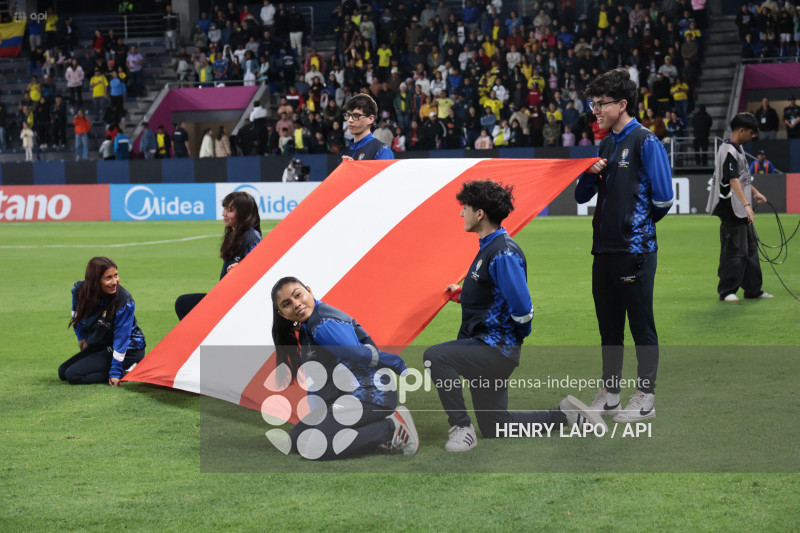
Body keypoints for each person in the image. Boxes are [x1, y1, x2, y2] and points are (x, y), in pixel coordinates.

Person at [424, 180, 606, 452]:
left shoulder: (503, 252)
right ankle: (565, 414)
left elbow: (523, 310)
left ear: (480, 213)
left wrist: (509, 344)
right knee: (497, 427)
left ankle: (461, 429)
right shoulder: (490, 245)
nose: (462, 213)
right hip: (490, 347)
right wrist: (463, 294)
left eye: (466, 208)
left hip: (493, 350)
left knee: (435, 357)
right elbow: (494, 292)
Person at [574, 68, 674, 423]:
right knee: (609, 327)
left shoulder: (646, 141)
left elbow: (663, 199)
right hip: (603, 251)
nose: (595, 111)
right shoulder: (606, 143)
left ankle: (646, 397)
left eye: (600, 104)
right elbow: (582, 194)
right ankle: (611, 393)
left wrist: (635, 231)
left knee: (641, 325)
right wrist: (591, 173)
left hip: (634, 252)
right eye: (593, 104)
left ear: (621, 104)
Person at [270, 277, 418, 459]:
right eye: (287, 304)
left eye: (298, 295)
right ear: (283, 314)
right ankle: (371, 432)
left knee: (315, 448)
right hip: (348, 397)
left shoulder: (321, 325)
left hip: (371, 395)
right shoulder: (309, 325)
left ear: (309, 290)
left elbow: (359, 354)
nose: (296, 304)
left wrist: (397, 363)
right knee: (297, 440)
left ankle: (391, 429)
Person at [706, 113, 773, 303]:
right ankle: (726, 290)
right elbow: (733, 180)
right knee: (734, 249)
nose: (752, 137)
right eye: (750, 133)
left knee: (751, 248)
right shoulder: (728, 150)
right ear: (741, 130)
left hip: (740, 207)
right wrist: (746, 205)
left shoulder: (738, 149)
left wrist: (755, 193)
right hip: (730, 207)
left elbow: (742, 177)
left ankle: (753, 289)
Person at [174, 192, 262, 320]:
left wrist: (242, 269)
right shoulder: (234, 234)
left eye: (229, 210)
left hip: (235, 302)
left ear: (243, 213)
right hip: (225, 297)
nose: (223, 214)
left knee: (183, 304)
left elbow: (259, 272)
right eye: (225, 209)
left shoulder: (251, 237)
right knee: (183, 303)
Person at [59, 257, 146, 385]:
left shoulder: (124, 301)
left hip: (129, 350)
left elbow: (122, 338)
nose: (115, 281)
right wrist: (81, 337)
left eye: (116, 276)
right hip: (103, 345)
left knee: (73, 375)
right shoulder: (80, 290)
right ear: (95, 281)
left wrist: (115, 372)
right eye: (108, 278)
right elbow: (76, 314)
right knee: (63, 372)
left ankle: (127, 371)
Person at [341, 94, 394, 161]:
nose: (350, 120)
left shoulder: (382, 150)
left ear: (370, 119)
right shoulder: (344, 152)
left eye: (356, 115)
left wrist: (354, 168)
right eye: (348, 115)